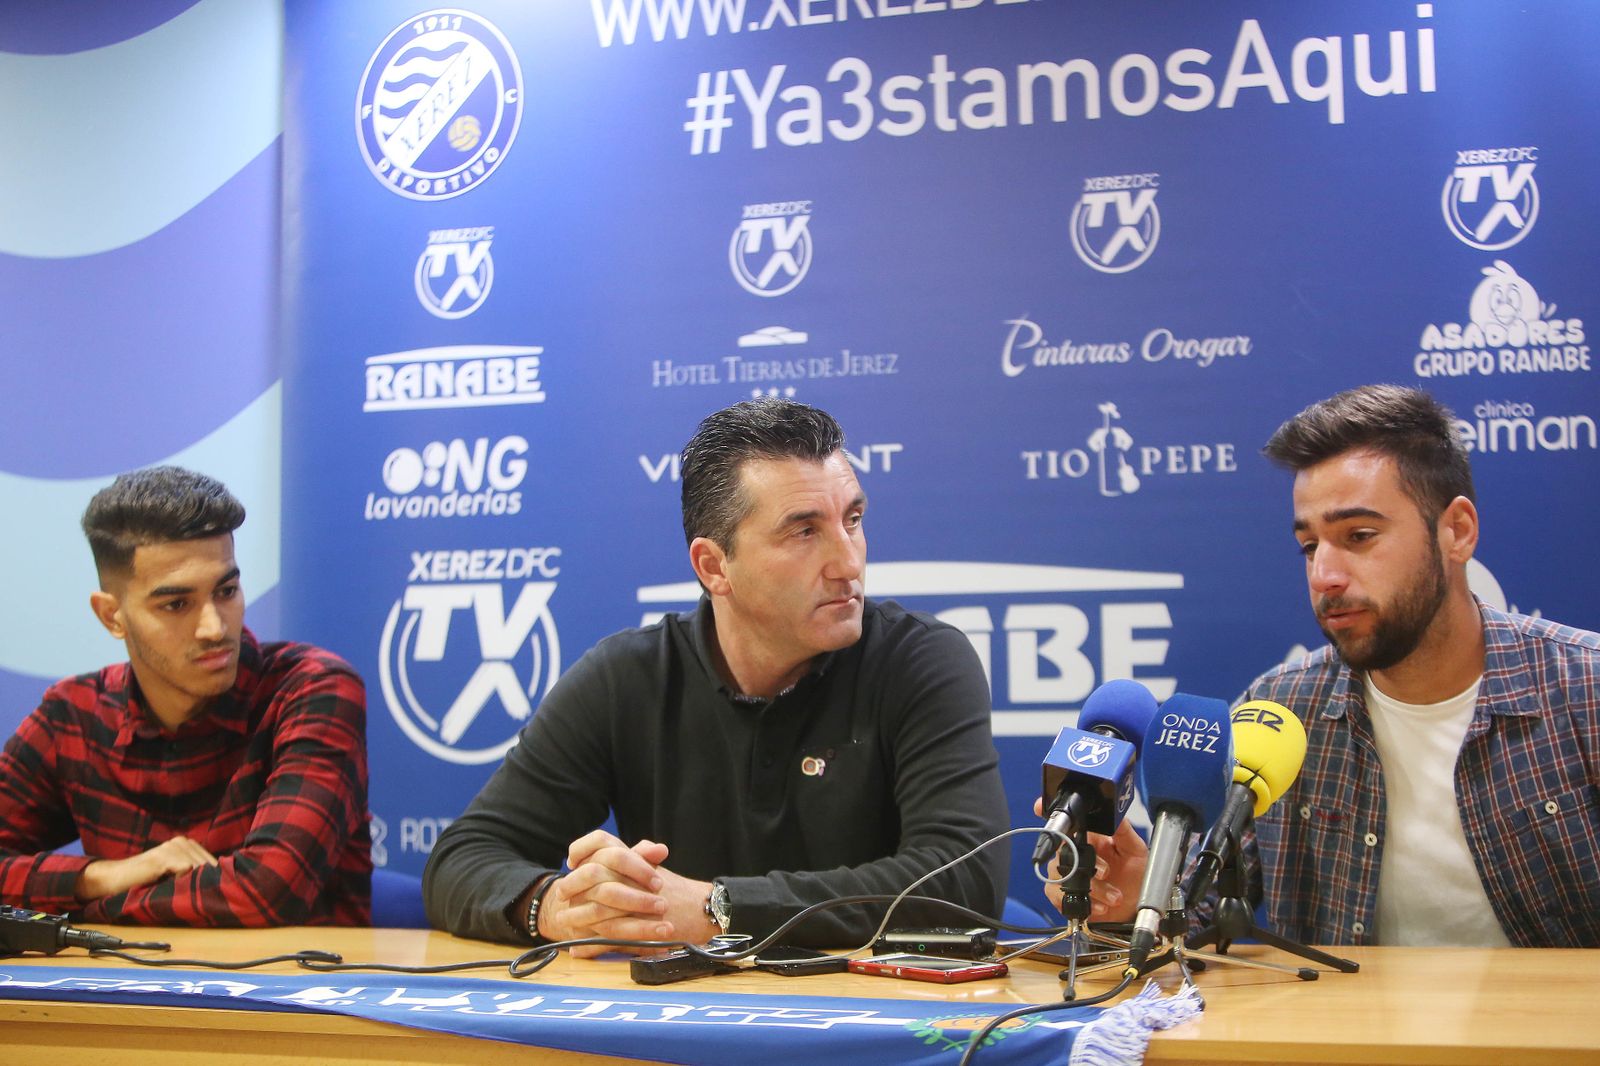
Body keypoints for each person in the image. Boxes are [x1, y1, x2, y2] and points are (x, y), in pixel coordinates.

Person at [424, 398, 1008, 951]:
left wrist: (718, 908)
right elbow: (462, 858)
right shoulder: (627, 678)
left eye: (852, 519)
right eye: (804, 531)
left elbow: (964, 879)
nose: (848, 561)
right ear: (713, 566)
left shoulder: (922, 659)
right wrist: (554, 906)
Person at [1056, 384, 1600, 947]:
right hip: (1346, 1011)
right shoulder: (1280, 711)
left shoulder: (1586, 689)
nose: (1325, 576)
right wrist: (1138, 898)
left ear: (1456, 532)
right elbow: (1192, 919)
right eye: (1310, 546)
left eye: (1359, 536)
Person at [0, 466, 372, 926]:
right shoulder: (73, 715)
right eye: (177, 604)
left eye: (226, 591)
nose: (214, 628)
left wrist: (87, 910)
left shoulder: (312, 689)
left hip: (296, 973)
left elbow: (265, 894)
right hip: (125, 976)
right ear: (112, 616)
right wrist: (99, 876)